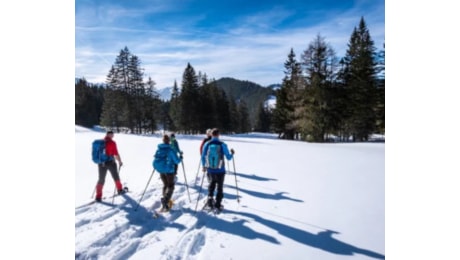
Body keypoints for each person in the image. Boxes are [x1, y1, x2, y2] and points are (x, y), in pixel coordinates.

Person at [201, 128, 235, 210]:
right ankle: (218, 204)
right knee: (220, 187)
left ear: (211, 134)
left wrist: (204, 166)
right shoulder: (222, 144)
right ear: (218, 135)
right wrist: (232, 154)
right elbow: (228, 158)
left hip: (210, 169)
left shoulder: (207, 144)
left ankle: (209, 200)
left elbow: (203, 156)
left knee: (211, 185)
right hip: (220, 169)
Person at [153, 134, 182, 211]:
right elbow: (177, 161)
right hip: (169, 171)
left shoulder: (159, 149)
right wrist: (181, 158)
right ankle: (165, 200)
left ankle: (165, 199)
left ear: (163, 141)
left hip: (161, 170)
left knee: (165, 185)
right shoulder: (170, 150)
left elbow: (156, 157)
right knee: (171, 186)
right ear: (169, 141)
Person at [95, 130, 125, 202]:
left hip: (101, 163)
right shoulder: (112, 143)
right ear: (108, 135)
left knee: (101, 179)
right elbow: (116, 153)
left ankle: (98, 196)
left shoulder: (100, 142)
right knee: (116, 177)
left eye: (112, 134)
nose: (112, 135)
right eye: (111, 134)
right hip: (111, 163)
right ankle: (120, 190)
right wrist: (120, 161)